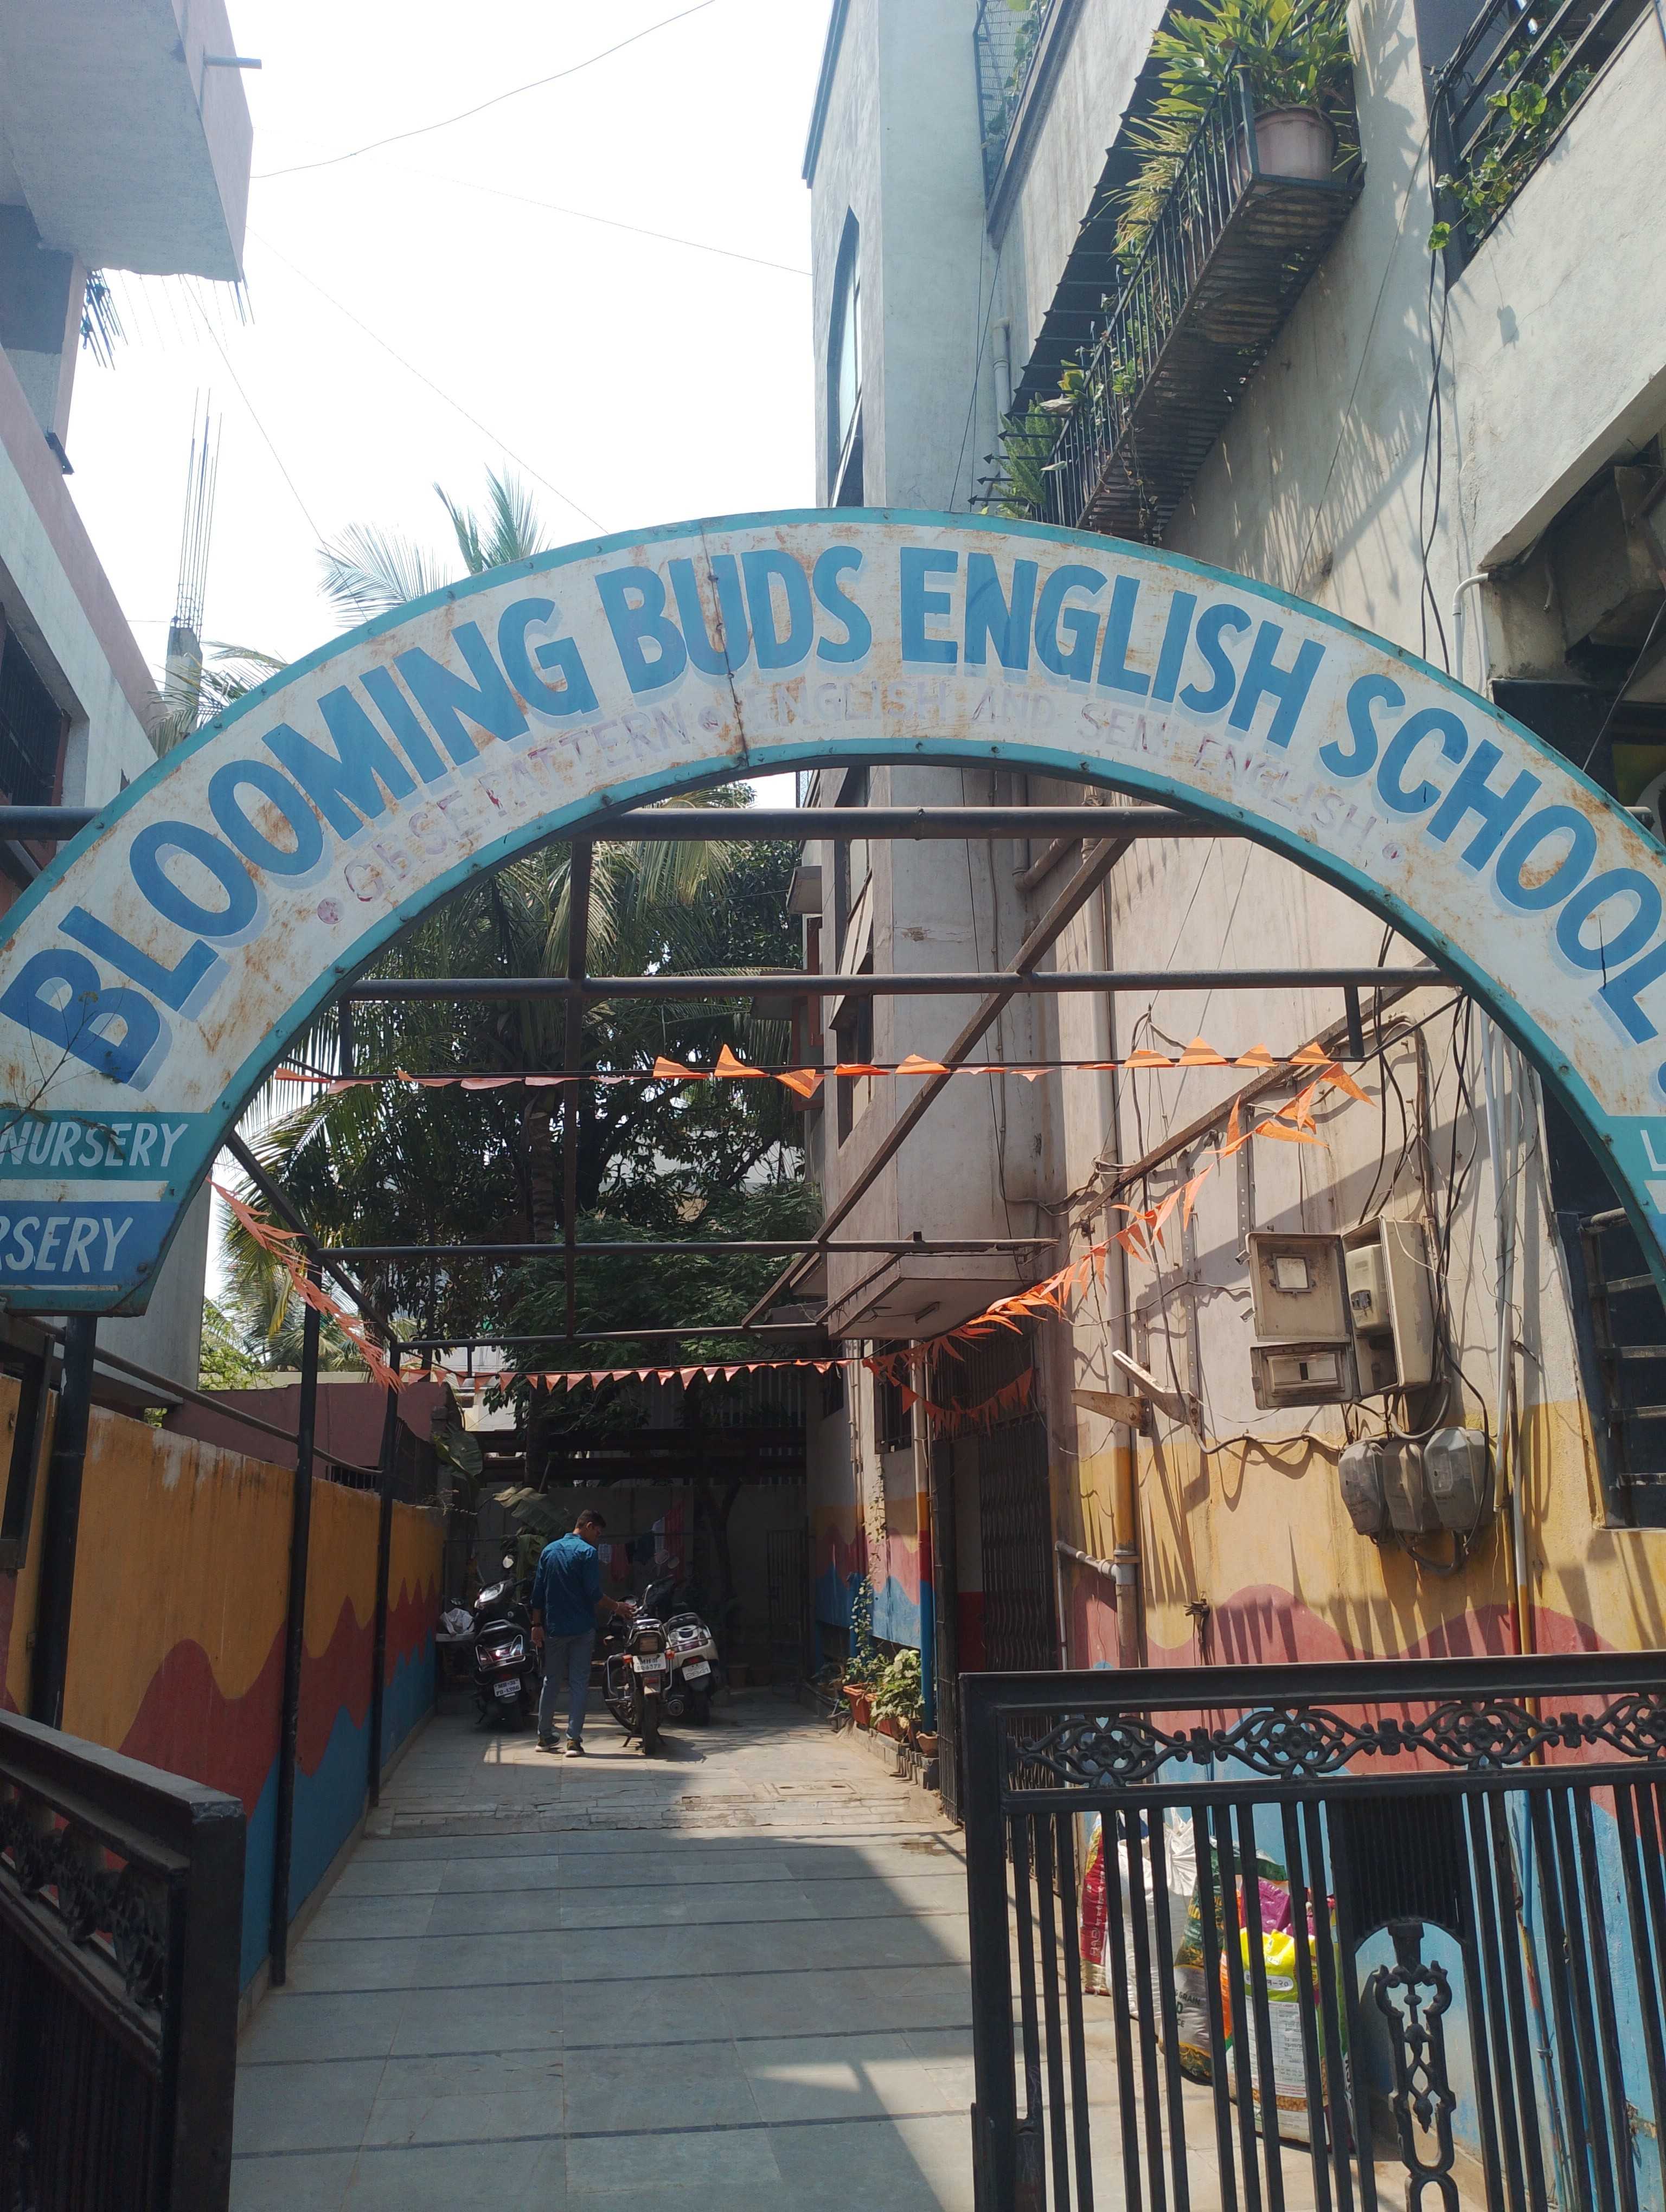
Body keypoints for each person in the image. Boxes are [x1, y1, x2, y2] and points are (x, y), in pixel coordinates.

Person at [530, 1508, 632, 1754]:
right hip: (582, 1628)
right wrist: (617, 1607)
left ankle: (544, 1737)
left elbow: (538, 1593)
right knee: (578, 1684)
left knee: (551, 1681)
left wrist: (536, 1625)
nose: (597, 1538)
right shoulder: (587, 1553)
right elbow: (594, 1594)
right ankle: (573, 1741)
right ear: (588, 1526)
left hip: (554, 1628)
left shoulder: (549, 1551)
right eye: (597, 1533)